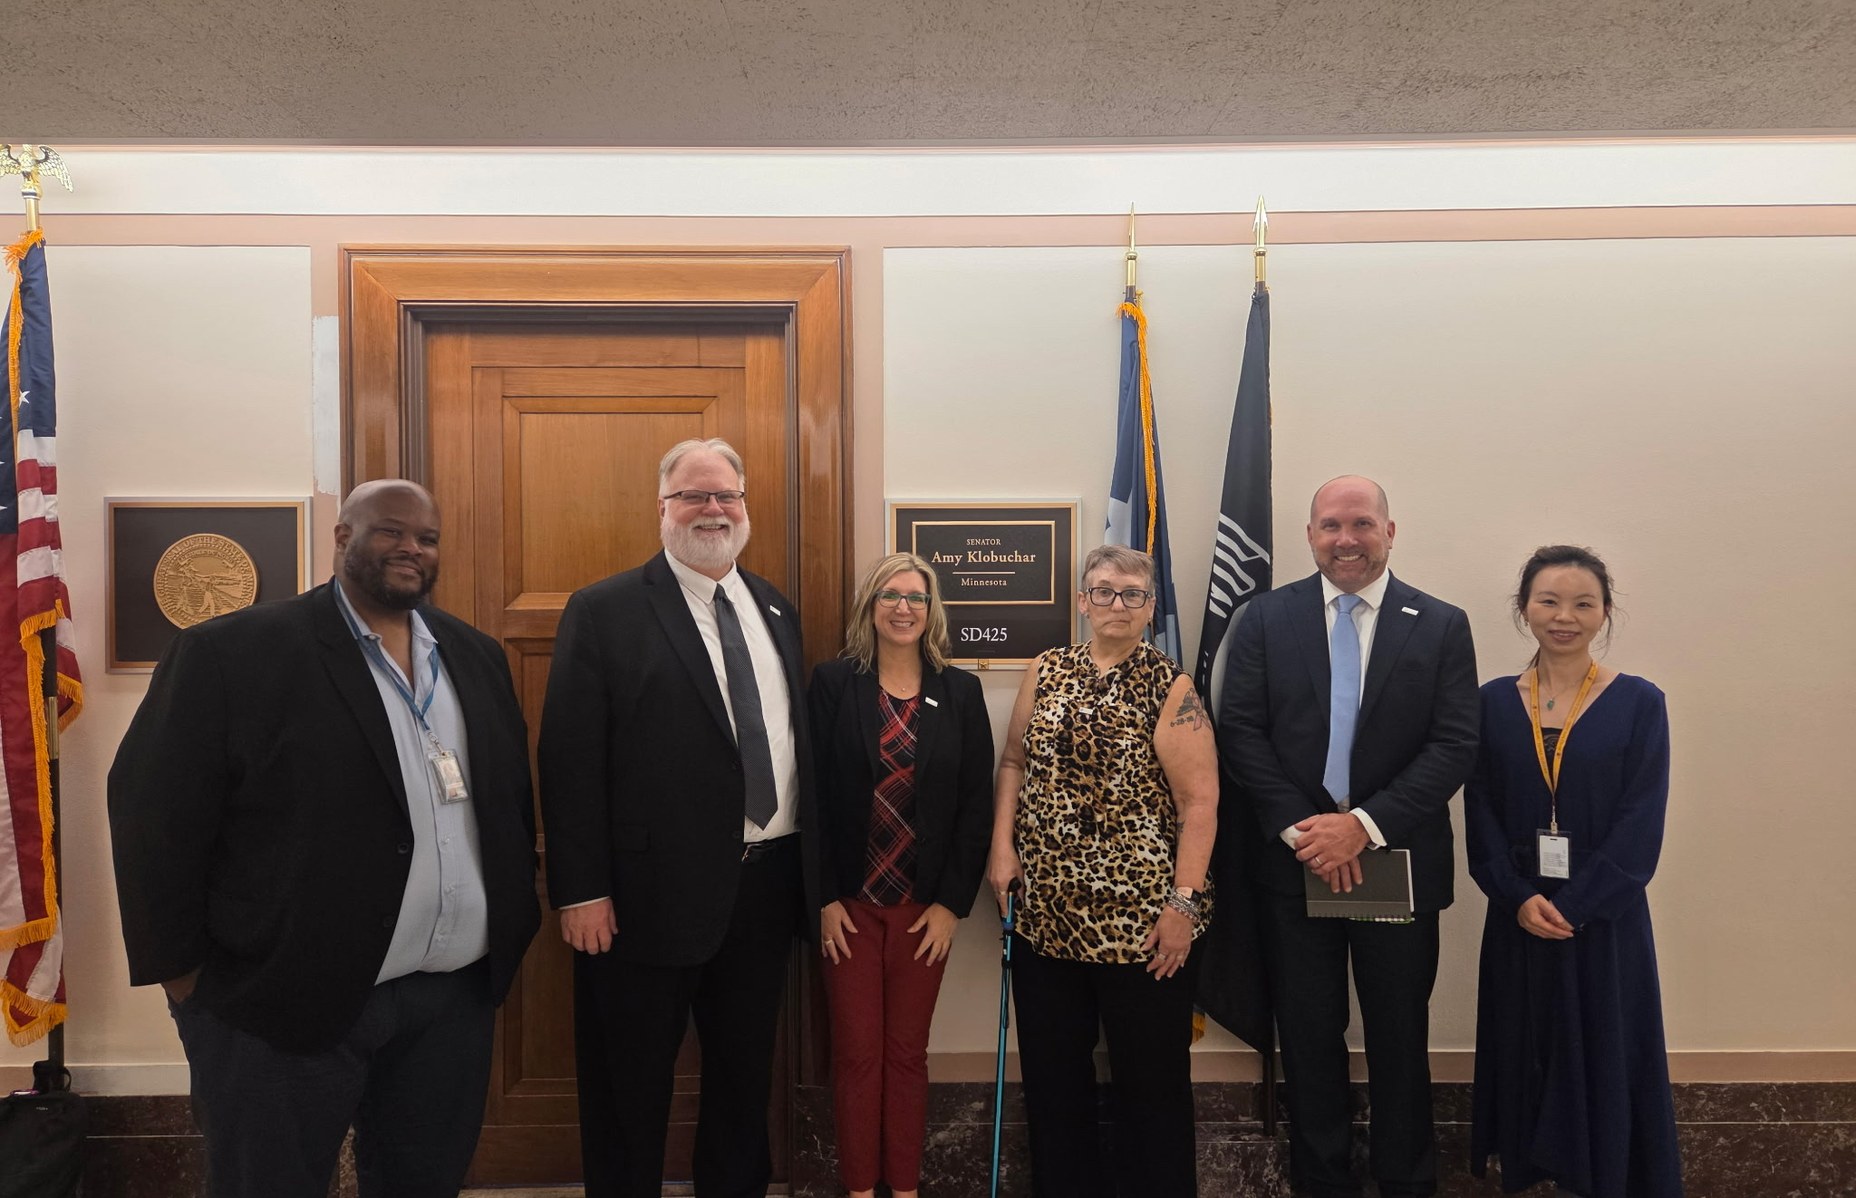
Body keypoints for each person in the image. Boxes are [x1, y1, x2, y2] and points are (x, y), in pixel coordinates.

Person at [106, 479, 541, 1198]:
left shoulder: (476, 656)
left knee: (423, 1182)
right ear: (342, 537)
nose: (411, 548)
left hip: (450, 1002)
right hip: (282, 997)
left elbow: (505, 804)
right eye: (390, 531)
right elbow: (153, 813)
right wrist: (183, 975)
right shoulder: (234, 652)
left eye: (427, 538)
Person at [538, 437, 820, 1198]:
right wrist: (580, 889)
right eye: (694, 495)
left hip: (764, 894)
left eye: (726, 495)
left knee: (743, 1078)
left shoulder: (774, 608)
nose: (712, 509)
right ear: (663, 509)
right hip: (639, 902)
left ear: (744, 507)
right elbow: (568, 764)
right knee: (628, 1088)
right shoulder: (604, 610)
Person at [1218, 475, 1479, 1198]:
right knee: (1308, 1039)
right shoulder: (1265, 619)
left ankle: (1406, 1182)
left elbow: (1454, 744)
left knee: (1399, 1038)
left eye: (1362, 524)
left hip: (1396, 861)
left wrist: (1360, 827)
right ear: (1310, 535)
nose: (1346, 540)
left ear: (1390, 531)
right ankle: (1321, 1183)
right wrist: (1308, 833)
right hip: (1294, 864)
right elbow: (1240, 731)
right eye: (1330, 525)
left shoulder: (1441, 623)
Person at [987, 543, 1218, 1198]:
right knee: (1056, 1088)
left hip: (1143, 931)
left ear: (1149, 609)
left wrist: (1184, 907)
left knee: (1153, 1091)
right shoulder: (1047, 669)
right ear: (1083, 600)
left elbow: (1200, 802)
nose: (1117, 603)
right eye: (1105, 590)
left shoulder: (1170, 687)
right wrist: (1000, 847)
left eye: (1133, 594)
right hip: (1045, 922)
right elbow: (1012, 763)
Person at [1466, 546, 1682, 1198]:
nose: (1565, 616)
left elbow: (1642, 822)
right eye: (1549, 601)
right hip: (1519, 916)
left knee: (1604, 1050)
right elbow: (1480, 814)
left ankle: (1605, 1177)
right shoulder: (1492, 704)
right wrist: (1517, 897)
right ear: (1525, 609)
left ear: (1605, 612)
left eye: (1583, 603)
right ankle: (1532, 1173)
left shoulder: (1640, 702)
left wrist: (1579, 905)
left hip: (1604, 921)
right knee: (1525, 1047)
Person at [808, 552, 995, 1198]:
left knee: (907, 1056)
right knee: (857, 1057)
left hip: (923, 910)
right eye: (889, 595)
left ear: (931, 608)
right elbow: (811, 799)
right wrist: (824, 897)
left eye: (915, 596)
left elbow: (977, 804)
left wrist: (950, 904)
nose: (903, 607)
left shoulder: (962, 692)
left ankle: (906, 1190)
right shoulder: (834, 685)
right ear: (870, 606)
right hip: (850, 909)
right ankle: (861, 1190)